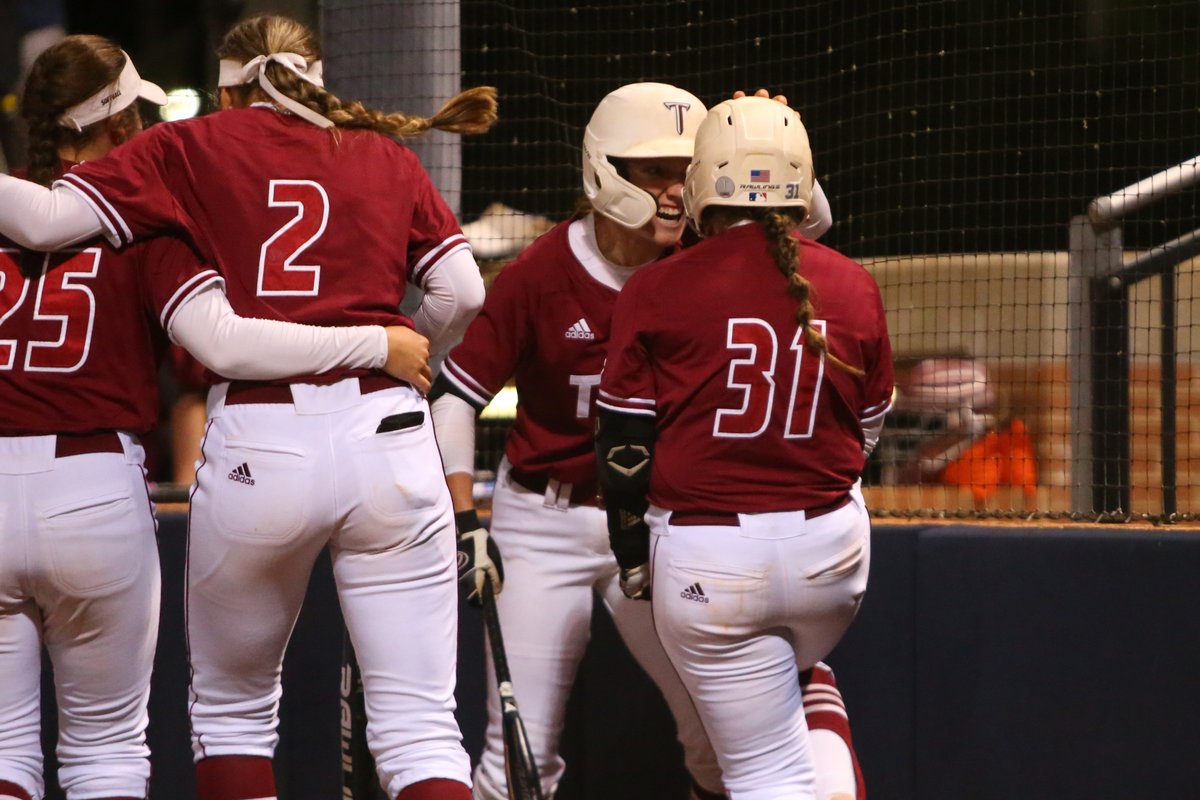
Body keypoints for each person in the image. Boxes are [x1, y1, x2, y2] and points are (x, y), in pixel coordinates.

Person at [0, 15, 496, 800]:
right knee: (422, 728)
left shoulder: (185, 151)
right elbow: (464, 291)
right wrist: (398, 349)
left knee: (226, 718)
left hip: (259, 442)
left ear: (228, 87)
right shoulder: (385, 155)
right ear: (317, 76)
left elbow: (50, 223)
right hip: (387, 438)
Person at [429, 82, 861, 800]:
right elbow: (456, 397)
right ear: (605, 169)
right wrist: (465, 519)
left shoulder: (705, 255)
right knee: (518, 760)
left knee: (721, 741)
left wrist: (772, 144)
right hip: (546, 520)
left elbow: (808, 228)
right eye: (651, 170)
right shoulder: (540, 272)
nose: (671, 189)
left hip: (662, 522)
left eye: (684, 170)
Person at [595, 95, 893, 799]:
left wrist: (634, 558)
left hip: (712, 567)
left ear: (705, 181)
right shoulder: (852, 282)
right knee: (796, 680)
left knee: (765, 774)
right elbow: (868, 429)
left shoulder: (657, 286)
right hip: (832, 560)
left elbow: (623, 447)